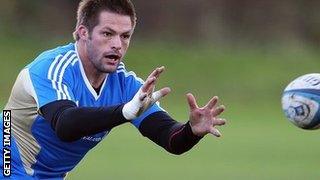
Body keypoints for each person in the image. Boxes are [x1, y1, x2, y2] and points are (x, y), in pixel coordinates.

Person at [0, 0, 227, 179]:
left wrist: (191, 131)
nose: (118, 44)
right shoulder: (52, 68)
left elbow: (170, 139)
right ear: (83, 33)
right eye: (108, 34)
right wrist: (124, 112)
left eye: (125, 36)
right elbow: (65, 125)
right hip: (8, 161)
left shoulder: (126, 85)